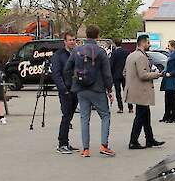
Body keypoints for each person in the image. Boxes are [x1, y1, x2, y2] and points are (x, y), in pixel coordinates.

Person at [63, 25, 115, 157]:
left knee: (84, 118)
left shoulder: (77, 50)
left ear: (86, 35)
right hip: (97, 89)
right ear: (98, 36)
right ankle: (104, 145)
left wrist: (73, 81)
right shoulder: (101, 52)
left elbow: (67, 69)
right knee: (105, 116)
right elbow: (107, 74)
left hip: (80, 89)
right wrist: (109, 90)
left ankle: (85, 149)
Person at [125, 34, 164, 149]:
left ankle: (150, 139)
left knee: (145, 115)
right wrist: (156, 74)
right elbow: (143, 75)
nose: (149, 44)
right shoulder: (141, 57)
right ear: (143, 43)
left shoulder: (131, 55)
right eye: (148, 42)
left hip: (135, 90)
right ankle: (133, 141)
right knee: (140, 117)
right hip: (141, 91)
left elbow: (125, 72)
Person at [51, 31, 79, 154]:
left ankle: (66, 142)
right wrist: (63, 89)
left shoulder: (77, 53)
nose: (72, 42)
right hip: (66, 90)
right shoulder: (58, 55)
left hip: (76, 89)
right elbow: (56, 74)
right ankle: (62, 143)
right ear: (65, 41)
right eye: (70, 40)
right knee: (66, 116)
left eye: (74, 39)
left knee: (70, 116)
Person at [160, 40, 175, 123]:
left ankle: (174, 117)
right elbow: (167, 66)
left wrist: (171, 73)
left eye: (169, 46)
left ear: (172, 46)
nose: (168, 47)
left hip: (172, 79)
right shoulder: (170, 55)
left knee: (173, 99)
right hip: (167, 79)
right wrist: (164, 72)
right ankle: (167, 115)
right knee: (167, 99)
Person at [110, 38, 130, 113]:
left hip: (116, 75)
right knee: (126, 91)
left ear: (115, 44)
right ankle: (130, 107)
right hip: (125, 74)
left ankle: (120, 108)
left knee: (118, 92)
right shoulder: (127, 52)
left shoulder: (114, 53)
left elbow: (111, 65)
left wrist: (111, 75)